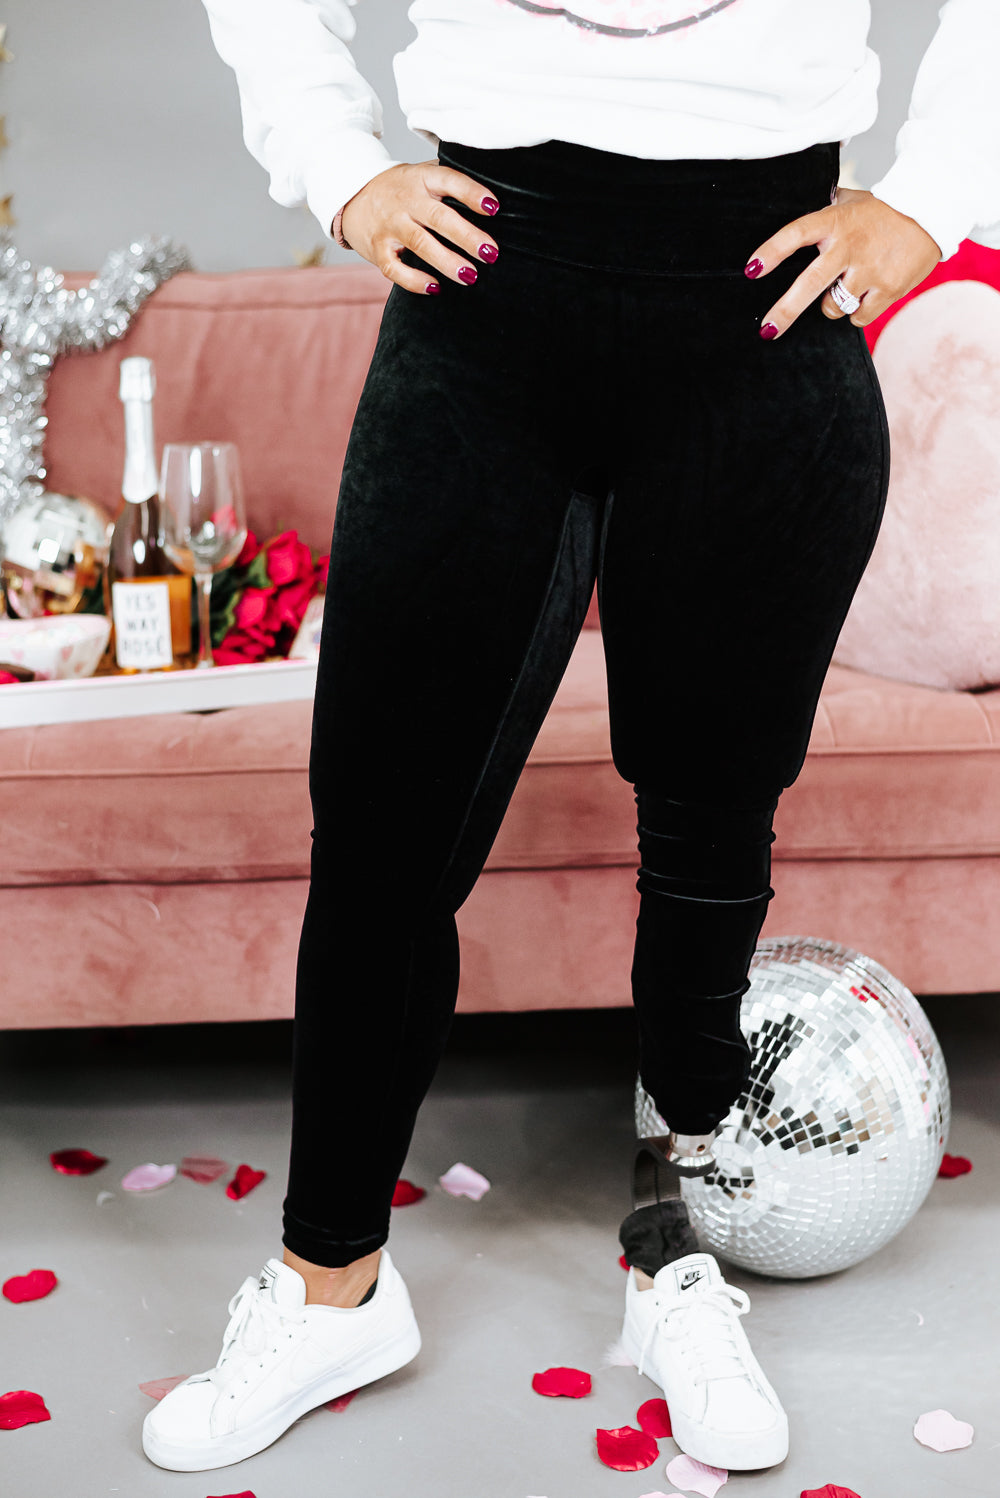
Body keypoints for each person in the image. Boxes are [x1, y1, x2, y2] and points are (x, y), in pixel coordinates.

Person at [143, 0, 1000, 1477]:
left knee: (711, 829)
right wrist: (336, 164)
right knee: (385, 828)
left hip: (763, 305)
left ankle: (675, 1263)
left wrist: (931, 199)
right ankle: (330, 1283)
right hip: (487, 292)